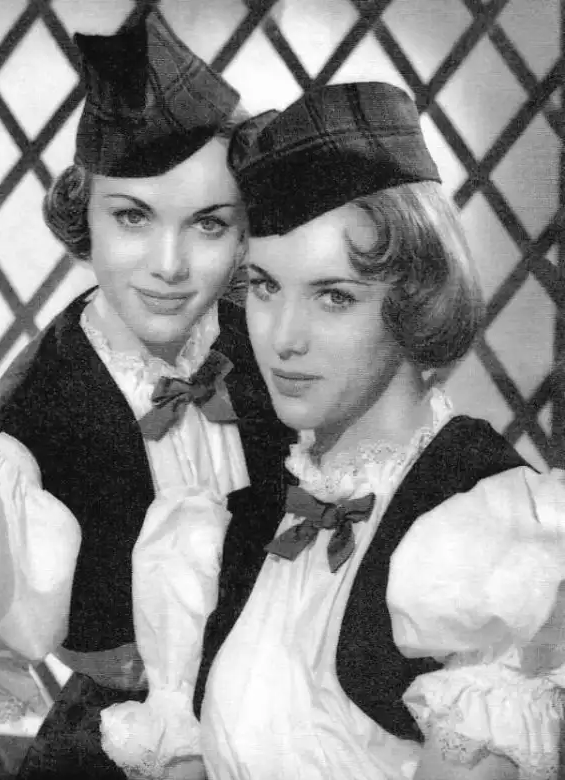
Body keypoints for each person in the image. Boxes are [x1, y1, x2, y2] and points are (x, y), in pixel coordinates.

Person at [197, 82, 565, 779]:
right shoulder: (277, 504)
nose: (283, 338)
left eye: (334, 296)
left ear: (417, 299)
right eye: (266, 287)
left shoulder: (487, 537)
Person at [0, 9, 291, 780]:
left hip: (273, 713)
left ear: (245, 232)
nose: (169, 266)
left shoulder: (264, 343)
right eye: (134, 218)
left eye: (208, 225)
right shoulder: (39, 407)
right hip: (122, 735)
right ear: (85, 216)